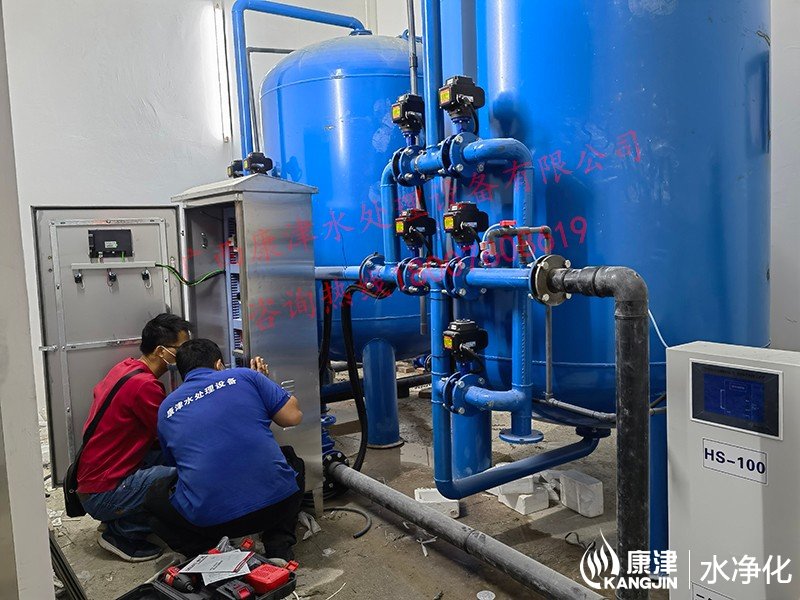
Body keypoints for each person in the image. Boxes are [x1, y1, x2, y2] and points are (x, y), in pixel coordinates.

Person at [145, 338, 304, 560]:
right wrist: (266, 384)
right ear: (219, 364)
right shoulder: (246, 376)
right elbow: (293, 417)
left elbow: (176, 462)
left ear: (183, 373)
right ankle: (279, 546)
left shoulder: (167, 408)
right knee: (293, 461)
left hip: (212, 523)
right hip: (276, 507)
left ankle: (209, 554)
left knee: (153, 499)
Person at [77, 313, 191, 562]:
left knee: (168, 459)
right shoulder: (145, 386)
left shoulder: (126, 368)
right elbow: (171, 435)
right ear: (161, 351)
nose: (185, 355)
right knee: (186, 473)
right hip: (103, 492)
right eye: (181, 349)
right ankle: (123, 532)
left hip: (93, 480)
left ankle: (122, 516)